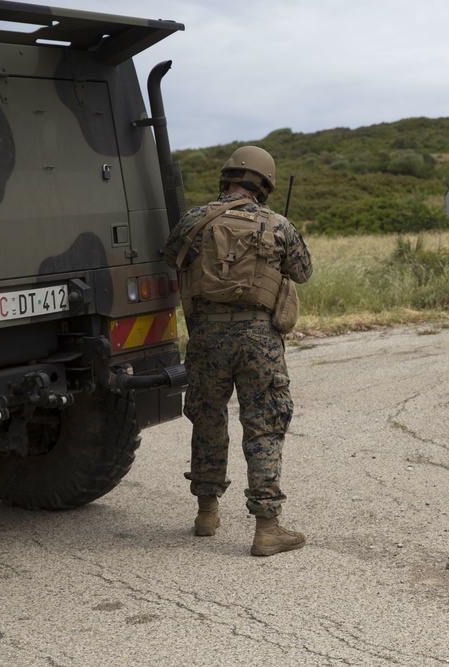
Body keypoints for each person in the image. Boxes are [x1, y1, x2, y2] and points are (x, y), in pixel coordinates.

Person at [163, 146, 312, 556]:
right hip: (258, 340)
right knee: (264, 423)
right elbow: (303, 272)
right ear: (264, 185)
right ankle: (267, 528)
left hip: (206, 337)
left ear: (226, 178)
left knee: (207, 418)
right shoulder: (278, 224)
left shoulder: (195, 220)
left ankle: (207, 513)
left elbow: (169, 258)